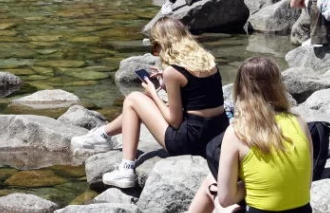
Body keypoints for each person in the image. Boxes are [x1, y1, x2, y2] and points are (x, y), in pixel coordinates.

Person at [73, 16, 228, 189]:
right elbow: (198, 99)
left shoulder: (173, 72)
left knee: (133, 100)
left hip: (189, 141)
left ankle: (125, 168)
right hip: (217, 136)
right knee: (141, 103)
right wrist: (166, 85)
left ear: (164, 43)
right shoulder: (209, 61)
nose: (156, 51)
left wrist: (153, 93)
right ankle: (102, 134)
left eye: (155, 46)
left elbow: (174, 121)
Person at [188, 57, 312, 213]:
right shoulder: (300, 123)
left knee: (210, 186)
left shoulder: (237, 132)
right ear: (279, 86)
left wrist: (247, 186)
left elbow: (226, 200)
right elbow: (306, 181)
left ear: (240, 88)